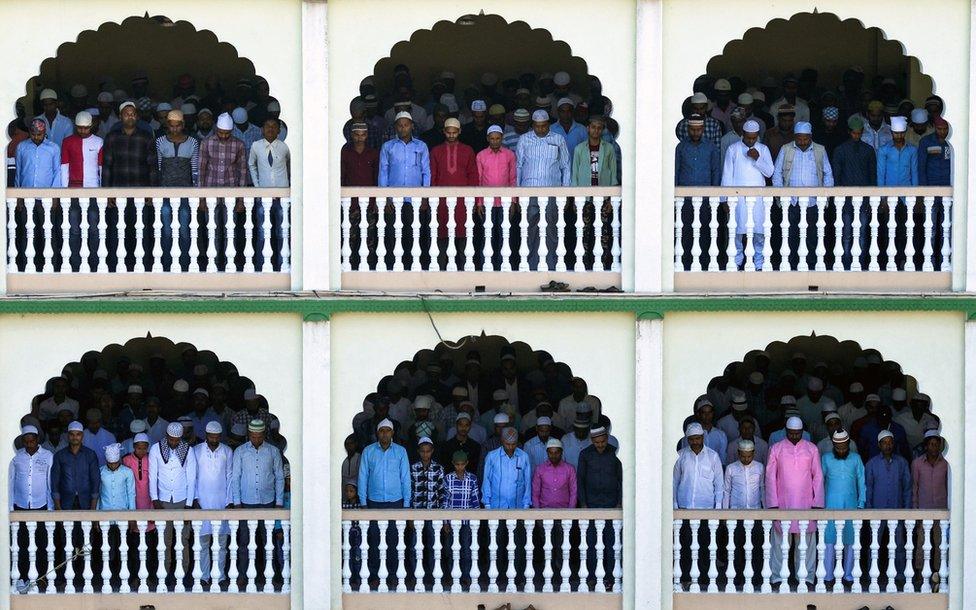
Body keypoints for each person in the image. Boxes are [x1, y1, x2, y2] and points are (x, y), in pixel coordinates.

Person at [766, 416, 823, 587]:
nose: (794, 436)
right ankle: (776, 577)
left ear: (802, 432)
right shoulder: (776, 449)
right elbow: (770, 477)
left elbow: (818, 477)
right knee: (779, 544)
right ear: (786, 431)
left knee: (806, 544)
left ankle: (806, 577)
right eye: (791, 433)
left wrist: (817, 503)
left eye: (797, 433)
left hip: (806, 504)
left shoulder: (811, 449)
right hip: (782, 504)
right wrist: (772, 504)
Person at [773, 122, 834, 270]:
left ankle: (811, 265)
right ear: (795, 137)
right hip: (791, 202)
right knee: (791, 236)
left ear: (810, 137)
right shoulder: (786, 149)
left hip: (813, 202)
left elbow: (828, 174)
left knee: (812, 236)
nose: (802, 142)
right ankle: (791, 265)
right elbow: (777, 174)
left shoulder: (820, 150)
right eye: (799, 139)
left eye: (805, 139)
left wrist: (824, 197)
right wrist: (782, 197)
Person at [516, 109, 572, 271]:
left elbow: (565, 166)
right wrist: (518, 194)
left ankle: (551, 265)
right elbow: (518, 167)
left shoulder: (558, 139)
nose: (540, 129)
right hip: (529, 192)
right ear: (532, 125)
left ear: (549, 124)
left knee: (551, 228)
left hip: (552, 192)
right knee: (529, 229)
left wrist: (565, 193)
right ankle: (529, 266)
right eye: (537, 126)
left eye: (543, 126)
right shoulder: (524, 140)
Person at [721, 119, 774, 270]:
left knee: (759, 232)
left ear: (758, 136)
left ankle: (758, 263)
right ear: (742, 134)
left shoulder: (763, 149)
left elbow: (770, 172)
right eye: (748, 137)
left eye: (754, 137)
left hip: (758, 198)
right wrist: (725, 199)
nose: (751, 140)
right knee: (736, 232)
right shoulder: (733, 149)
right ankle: (736, 262)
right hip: (737, 198)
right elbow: (727, 176)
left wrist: (758, 158)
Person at [9, 425, 54, 590]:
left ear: (37, 440)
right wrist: (10, 507)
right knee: (21, 544)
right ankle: (21, 577)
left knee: (41, 543)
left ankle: (40, 577)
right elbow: (11, 482)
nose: (29, 444)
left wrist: (50, 508)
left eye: (32, 441)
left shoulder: (48, 456)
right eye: (26, 441)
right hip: (20, 506)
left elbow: (49, 482)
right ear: (22, 441)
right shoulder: (16, 457)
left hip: (40, 505)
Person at [149, 422, 197, 574]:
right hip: (163, 500)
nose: (174, 443)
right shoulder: (156, 449)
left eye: (177, 440)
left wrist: (189, 505)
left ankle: (183, 572)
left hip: (182, 500)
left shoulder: (188, 450)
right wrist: (155, 499)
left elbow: (191, 478)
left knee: (183, 539)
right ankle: (165, 572)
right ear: (167, 436)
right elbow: (152, 476)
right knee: (165, 540)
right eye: (171, 439)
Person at [865, 429, 911, 581]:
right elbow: (868, 488)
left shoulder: (902, 463)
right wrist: (869, 510)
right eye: (884, 443)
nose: (888, 445)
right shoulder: (872, 464)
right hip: (877, 512)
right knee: (874, 545)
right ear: (879, 445)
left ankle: (900, 575)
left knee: (899, 544)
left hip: (897, 511)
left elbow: (907, 488)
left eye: (890, 442)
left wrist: (907, 511)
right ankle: (873, 575)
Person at [821, 430, 865, 584]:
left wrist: (861, 504)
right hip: (830, 505)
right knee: (829, 540)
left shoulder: (856, 459)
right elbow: (819, 483)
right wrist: (819, 504)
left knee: (850, 541)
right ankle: (827, 576)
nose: (841, 450)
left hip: (851, 506)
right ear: (833, 445)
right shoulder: (826, 459)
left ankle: (848, 576)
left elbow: (861, 481)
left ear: (849, 444)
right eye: (838, 447)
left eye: (844, 447)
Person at [194, 421, 233, 585]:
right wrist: (194, 499)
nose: (214, 439)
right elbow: (193, 476)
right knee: (203, 542)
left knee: (221, 543)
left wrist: (230, 500)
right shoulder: (196, 451)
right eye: (211, 436)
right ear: (206, 435)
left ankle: (220, 576)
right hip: (202, 501)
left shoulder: (227, 451)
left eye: (217, 436)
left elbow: (230, 476)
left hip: (221, 502)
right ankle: (204, 576)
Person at [476, 125, 517, 269]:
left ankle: (503, 266)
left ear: (502, 138)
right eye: (492, 138)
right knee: (488, 235)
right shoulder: (481, 155)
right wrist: (479, 202)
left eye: (497, 138)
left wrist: (513, 201)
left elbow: (513, 179)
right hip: (487, 202)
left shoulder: (509, 155)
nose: (494, 141)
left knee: (504, 235)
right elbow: (479, 180)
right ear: (487, 138)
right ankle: (486, 266)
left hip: (505, 202)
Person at [102, 101, 159, 186]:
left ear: (137, 117)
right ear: (120, 117)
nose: (130, 117)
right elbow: (107, 167)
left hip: (141, 188)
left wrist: (151, 192)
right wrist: (107, 192)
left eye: (133, 114)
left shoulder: (146, 137)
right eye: (126, 114)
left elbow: (153, 167)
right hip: (118, 189)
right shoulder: (112, 137)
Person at [358, 418, 410, 508]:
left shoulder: (401, 451)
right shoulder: (368, 451)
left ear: (392, 433)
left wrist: (406, 503)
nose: (385, 434)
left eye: (388, 430)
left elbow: (405, 478)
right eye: (381, 431)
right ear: (377, 433)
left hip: (396, 501)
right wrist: (363, 502)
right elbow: (363, 477)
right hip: (374, 501)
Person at [673, 422, 723, 509]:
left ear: (702, 437)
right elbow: (674, 482)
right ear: (687, 439)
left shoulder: (713, 456)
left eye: (697, 438)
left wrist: (718, 505)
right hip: (684, 505)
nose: (695, 442)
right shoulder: (680, 455)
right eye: (691, 439)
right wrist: (674, 503)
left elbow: (719, 483)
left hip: (706, 506)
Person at [481, 427, 531, 509]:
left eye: (513, 444)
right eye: (507, 444)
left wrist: (526, 504)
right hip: (496, 506)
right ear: (502, 441)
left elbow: (527, 482)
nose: (510, 447)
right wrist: (487, 504)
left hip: (517, 506)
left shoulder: (524, 457)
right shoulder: (492, 456)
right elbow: (486, 481)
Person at [378, 111, 430, 187]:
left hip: (416, 194)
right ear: (395, 127)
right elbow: (383, 172)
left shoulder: (421, 146)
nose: (403, 128)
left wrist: (425, 194)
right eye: (400, 125)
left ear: (412, 126)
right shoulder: (387, 146)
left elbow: (426, 171)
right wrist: (384, 194)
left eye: (406, 125)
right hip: (394, 194)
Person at [199, 113, 247, 187]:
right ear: (216, 129)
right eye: (221, 133)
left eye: (227, 133)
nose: (223, 136)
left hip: (231, 186)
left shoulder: (239, 144)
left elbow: (242, 170)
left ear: (231, 131)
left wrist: (242, 193)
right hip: (211, 186)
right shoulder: (206, 143)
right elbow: (201, 168)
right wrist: (200, 192)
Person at [674, 114, 720, 186]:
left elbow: (715, 171)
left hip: (706, 192)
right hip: (684, 192)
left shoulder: (711, 147)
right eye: (692, 130)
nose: (695, 133)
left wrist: (714, 193)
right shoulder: (680, 147)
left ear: (703, 129)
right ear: (688, 129)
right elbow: (676, 171)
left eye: (698, 130)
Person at [60, 110, 103, 187]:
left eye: (86, 128)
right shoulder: (67, 142)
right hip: (74, 187)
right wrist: (64, 190)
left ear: (91, 126)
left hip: (93, 186)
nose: (83, 131)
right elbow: (64, 167)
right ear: (75, 126)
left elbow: (101, 167)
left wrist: (102, 190)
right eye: (80, 128)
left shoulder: (99, 142)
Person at [572, 115, 618, 186]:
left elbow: (613, 171)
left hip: (603, 188)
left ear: (602, 130)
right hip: (584, 189)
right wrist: (575, 192)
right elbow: (575, 173)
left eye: (599, 128)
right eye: (593, 127)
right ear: (588, 128)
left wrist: (612, 191)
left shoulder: (609, 148)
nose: (596, 130)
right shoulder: (579, 148)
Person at [532, 438, 577, 508]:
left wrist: (570, 512)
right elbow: (535, 493)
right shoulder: (540, 469)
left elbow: (573, 492)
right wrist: (538, 513)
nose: (554, 455)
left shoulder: (570, 469)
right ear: (547, 452)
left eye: (556, 452)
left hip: (564, 512)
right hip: (544, 511)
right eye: (551, 453)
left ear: (561, 452)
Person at [15, 120, 62, 187]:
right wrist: (17, 193)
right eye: (33, 134)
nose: (36, 137)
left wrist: (54, 194)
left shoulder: (54, 148)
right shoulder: (21, 147)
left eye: (39, 134)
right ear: (29, 132)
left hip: (47, 193)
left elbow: (57, 171)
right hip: (25, 192)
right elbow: (18, 171)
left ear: (45, 132)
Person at [877, 116, 918, 186]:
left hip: (907, 192)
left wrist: (915, 193)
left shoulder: (912, 150)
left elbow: (914, 173)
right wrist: (882, 193)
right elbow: (881, 174)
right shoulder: (883, 150)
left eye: (902, 133)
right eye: (896, 133)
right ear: (891, 132)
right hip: (890, 192)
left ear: (906, 132)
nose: (899, 136)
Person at [409, 437, 445, 509]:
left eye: (428, 451)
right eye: (422, 451)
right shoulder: (413, 468)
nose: (425, 454)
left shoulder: (438, 468)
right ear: (418, 451)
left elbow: (441, 491)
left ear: (432, 451)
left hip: (433, 509)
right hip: (416, 509)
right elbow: (410, 491)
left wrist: (442, 510)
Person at [341, 122, 379, 186]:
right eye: (357, 135)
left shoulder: (373, 153)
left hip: (369, 192)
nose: (360, 138)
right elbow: (342, 175)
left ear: (366, 135)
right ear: (352, 135)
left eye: (363, 135)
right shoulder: (345, 153)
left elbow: (376, 175)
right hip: (349, 193)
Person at [98, 444, 135, 509]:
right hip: (104, 512)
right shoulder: (100, 472)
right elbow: (98, 493)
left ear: (119, 460)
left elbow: (131, 494)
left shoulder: (127, 472)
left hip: (122, 511)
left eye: (115, 463)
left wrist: (132, 514)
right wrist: (96, 513)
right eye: (110, 463)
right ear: (106, 461)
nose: (113, 466)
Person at [917, 117, 951, 187]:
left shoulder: (953, 142)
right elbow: (921, 166)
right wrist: (924, 188)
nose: (942, 132)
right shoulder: (925, 141)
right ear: (935, 127)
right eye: (939, 129)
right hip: (931, 183)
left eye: (945, 129)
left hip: (949, 182)